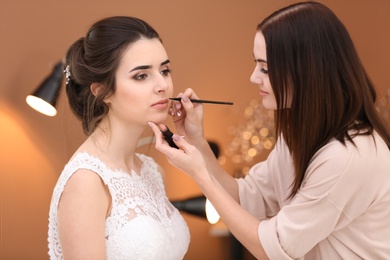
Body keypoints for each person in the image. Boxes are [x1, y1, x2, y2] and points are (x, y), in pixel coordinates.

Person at [148, 2, 390, 259]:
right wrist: (197, 141)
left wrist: (199, 174)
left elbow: (271, 248)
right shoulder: (302, 135)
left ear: (306, 71)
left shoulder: (346, 158)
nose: (254, 77)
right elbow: (246, 199)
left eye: (265, 67)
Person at [47, 16, 190, 259]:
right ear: (102, 91)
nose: (163, 85)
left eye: (164, 70)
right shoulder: (87, 181)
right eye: (141, 76)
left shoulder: (149, 170)